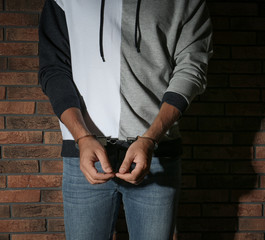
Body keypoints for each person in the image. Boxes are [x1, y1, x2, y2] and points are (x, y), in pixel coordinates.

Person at [39, 0, 212, 239]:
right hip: (86, 155)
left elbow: (192, 68)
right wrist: (82, 137)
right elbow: (54, 68)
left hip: (155, 154)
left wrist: (151, 139)